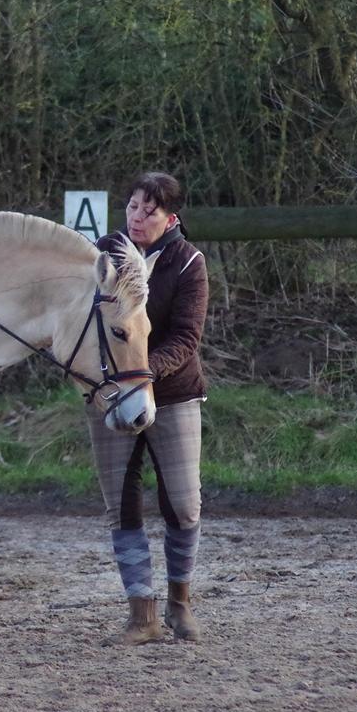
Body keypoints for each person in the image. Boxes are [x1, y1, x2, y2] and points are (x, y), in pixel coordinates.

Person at [86, 171, 209, 644]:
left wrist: (141, 372)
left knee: (183, 504)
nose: (137, 218)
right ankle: (142, 616)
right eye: (133, 207)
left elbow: (185, 337)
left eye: (149, 211)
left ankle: (180, 603)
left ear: (171, 217)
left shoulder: (188, 263)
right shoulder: (104, 253)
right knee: (122, 505)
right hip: (110, 392)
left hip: (172, 391)